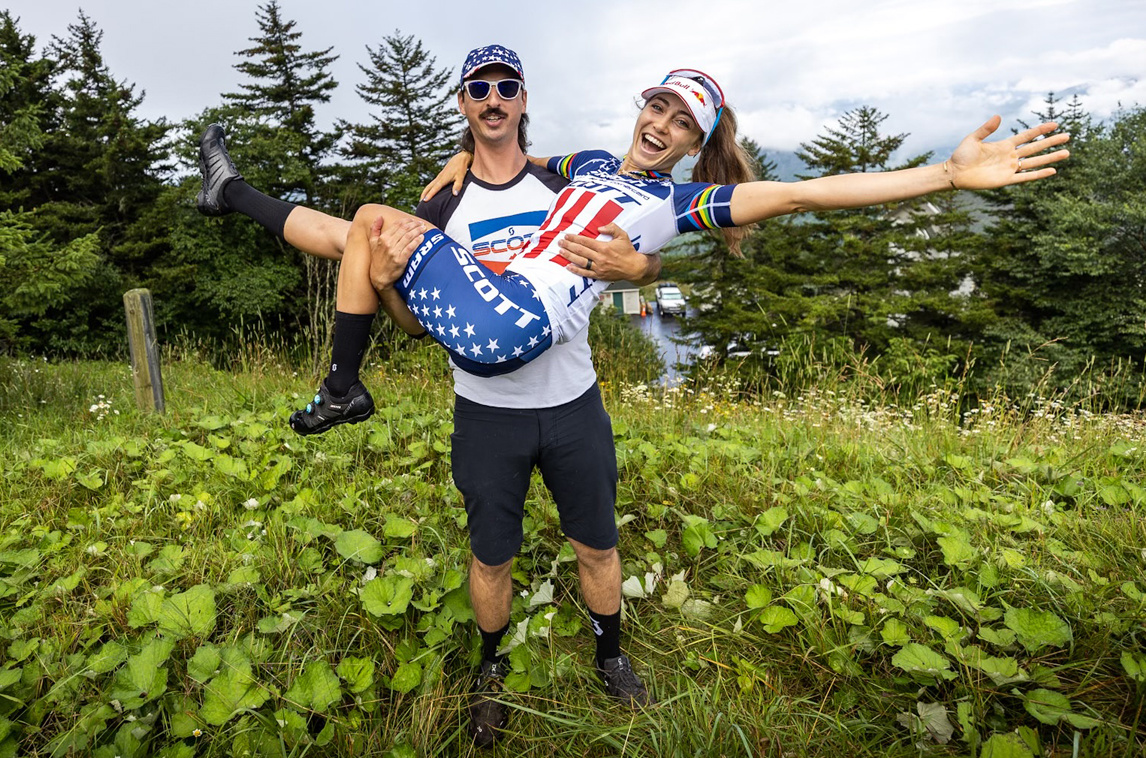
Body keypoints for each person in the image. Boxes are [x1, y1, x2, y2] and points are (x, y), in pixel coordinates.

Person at [196, 45, 660, 748]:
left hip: (574, 404)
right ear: (464, 103)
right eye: (480, 88)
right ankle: (490, 669)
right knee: (490, 557)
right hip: (485, 413)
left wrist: (644, 269)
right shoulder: (441, 202)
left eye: (507, 86)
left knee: (597, 545)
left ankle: (611, 655)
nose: (494, 98)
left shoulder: (560, 185)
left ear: (525, 100)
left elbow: (649, 227)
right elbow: (419, 326)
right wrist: (382, 281)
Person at [299, 68, 1070, 407]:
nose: (662, 127)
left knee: (364, 228)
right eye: (659, 108)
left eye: (683, 124)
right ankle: (233, 196)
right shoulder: (590, 164)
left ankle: (342, 388)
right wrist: (463, 152)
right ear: (643, 108)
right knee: (350, 236)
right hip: (498, 317)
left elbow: (806, 191)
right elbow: (517, 153)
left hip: (524, 336)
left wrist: (943, 175)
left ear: (695, 145)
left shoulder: (682, 201)